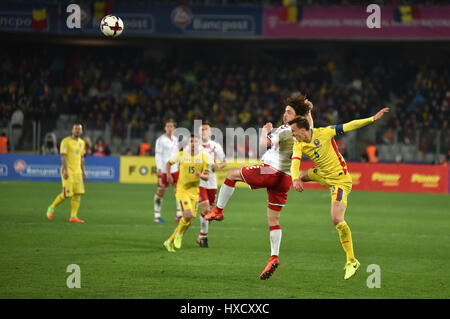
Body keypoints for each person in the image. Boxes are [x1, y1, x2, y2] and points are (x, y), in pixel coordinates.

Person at [204, 93, 314, 280]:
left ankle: (219, 210)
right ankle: (273, 257)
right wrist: (309, 111)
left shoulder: (285, 129)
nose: (284, 114)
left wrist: (266, 130)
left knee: (232, 175)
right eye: (285, 111)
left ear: (296, 116)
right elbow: (310, 127)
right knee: (274, 220)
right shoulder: (302, 132)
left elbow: (264, 144)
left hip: (269, 171)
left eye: (288, 111)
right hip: (285, 178)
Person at [289, 107, 389, 280]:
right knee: (302, 176)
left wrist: (372, 118)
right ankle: (300, 182)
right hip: (322, 174)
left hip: (339, 181)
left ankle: (352, 260)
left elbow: (349, 126)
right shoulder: (299, 143)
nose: (292, 134)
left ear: (303, 130)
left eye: (294, 131)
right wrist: (295, 179)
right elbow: (294, 163)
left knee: (336, 219)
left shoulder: (325, 133)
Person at [163, 135, 210, 252]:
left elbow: (207, 176)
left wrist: (202, 176)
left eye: (196, 141)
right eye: (191, 141)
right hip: (182, 190)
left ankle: (169, 242)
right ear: (189, 143)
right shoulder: (181, 154)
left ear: (199, 143)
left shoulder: (205, 157)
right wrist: (168, 175)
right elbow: (168, 163)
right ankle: (179, 235)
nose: (193, 143)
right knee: (188, 215)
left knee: (189, 222)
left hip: (195, 192)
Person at [46, 123, 88, 223]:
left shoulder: (82, 143)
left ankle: (73, 216)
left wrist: (83, 171)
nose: (77, 130)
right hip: (68, 171)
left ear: (81, 131)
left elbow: (82, 158)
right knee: (66, 194)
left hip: (77, 172)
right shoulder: (66, 141)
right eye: (76, 128)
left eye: (79, 129)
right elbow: (63, 157)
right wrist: (65, 170)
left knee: (77, 194)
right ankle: (51, 207)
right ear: (72, 130)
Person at [196, 121, 227, 248]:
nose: (204, 131)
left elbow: (224, 161)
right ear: (199, 132)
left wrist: (218, 165)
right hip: (200, 180)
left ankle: (201, 235)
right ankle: (204, 238)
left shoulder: (216, 146)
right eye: (202, 129)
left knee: (210, 213)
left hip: (212, 181)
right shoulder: (195, 146)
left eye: (206, 129)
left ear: (210, 132)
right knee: (206, 209)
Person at [153, 119, 181, 223]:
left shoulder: (176, 139)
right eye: (167, 126)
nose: (169, 128)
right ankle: (156, 215)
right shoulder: (160, 140)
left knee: (179, 191)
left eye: (171, 126)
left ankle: (179, 214)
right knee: (161, 192)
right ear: (165, 128)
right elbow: (158, 155)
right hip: (164, 170)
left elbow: (177, 154)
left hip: (175, 170)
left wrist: (178, 166)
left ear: (174, 128)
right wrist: (159, 168)